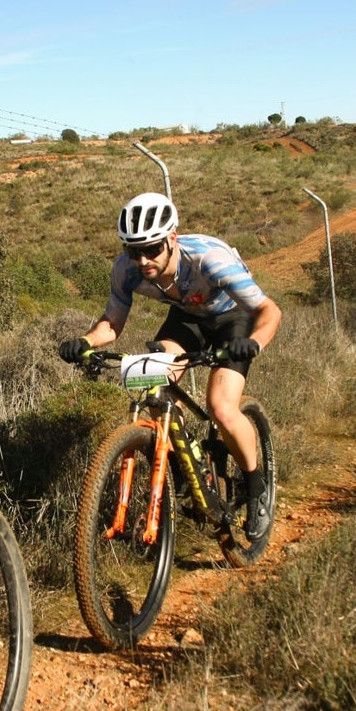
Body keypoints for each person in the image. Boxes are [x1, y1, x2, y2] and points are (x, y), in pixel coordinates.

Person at [58, 192, 282, 539]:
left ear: (172, 239)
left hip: (232, 317)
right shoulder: (126, 270)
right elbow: (112, 322)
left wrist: (252, 342)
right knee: (154, 381)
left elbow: (270, 311)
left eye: (152, 249)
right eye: (135, 251)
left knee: (221, 408)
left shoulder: (211, 259)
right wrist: (86, 342)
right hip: (187, 318)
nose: (143, 259)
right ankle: (185, 471)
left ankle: (257, 488)